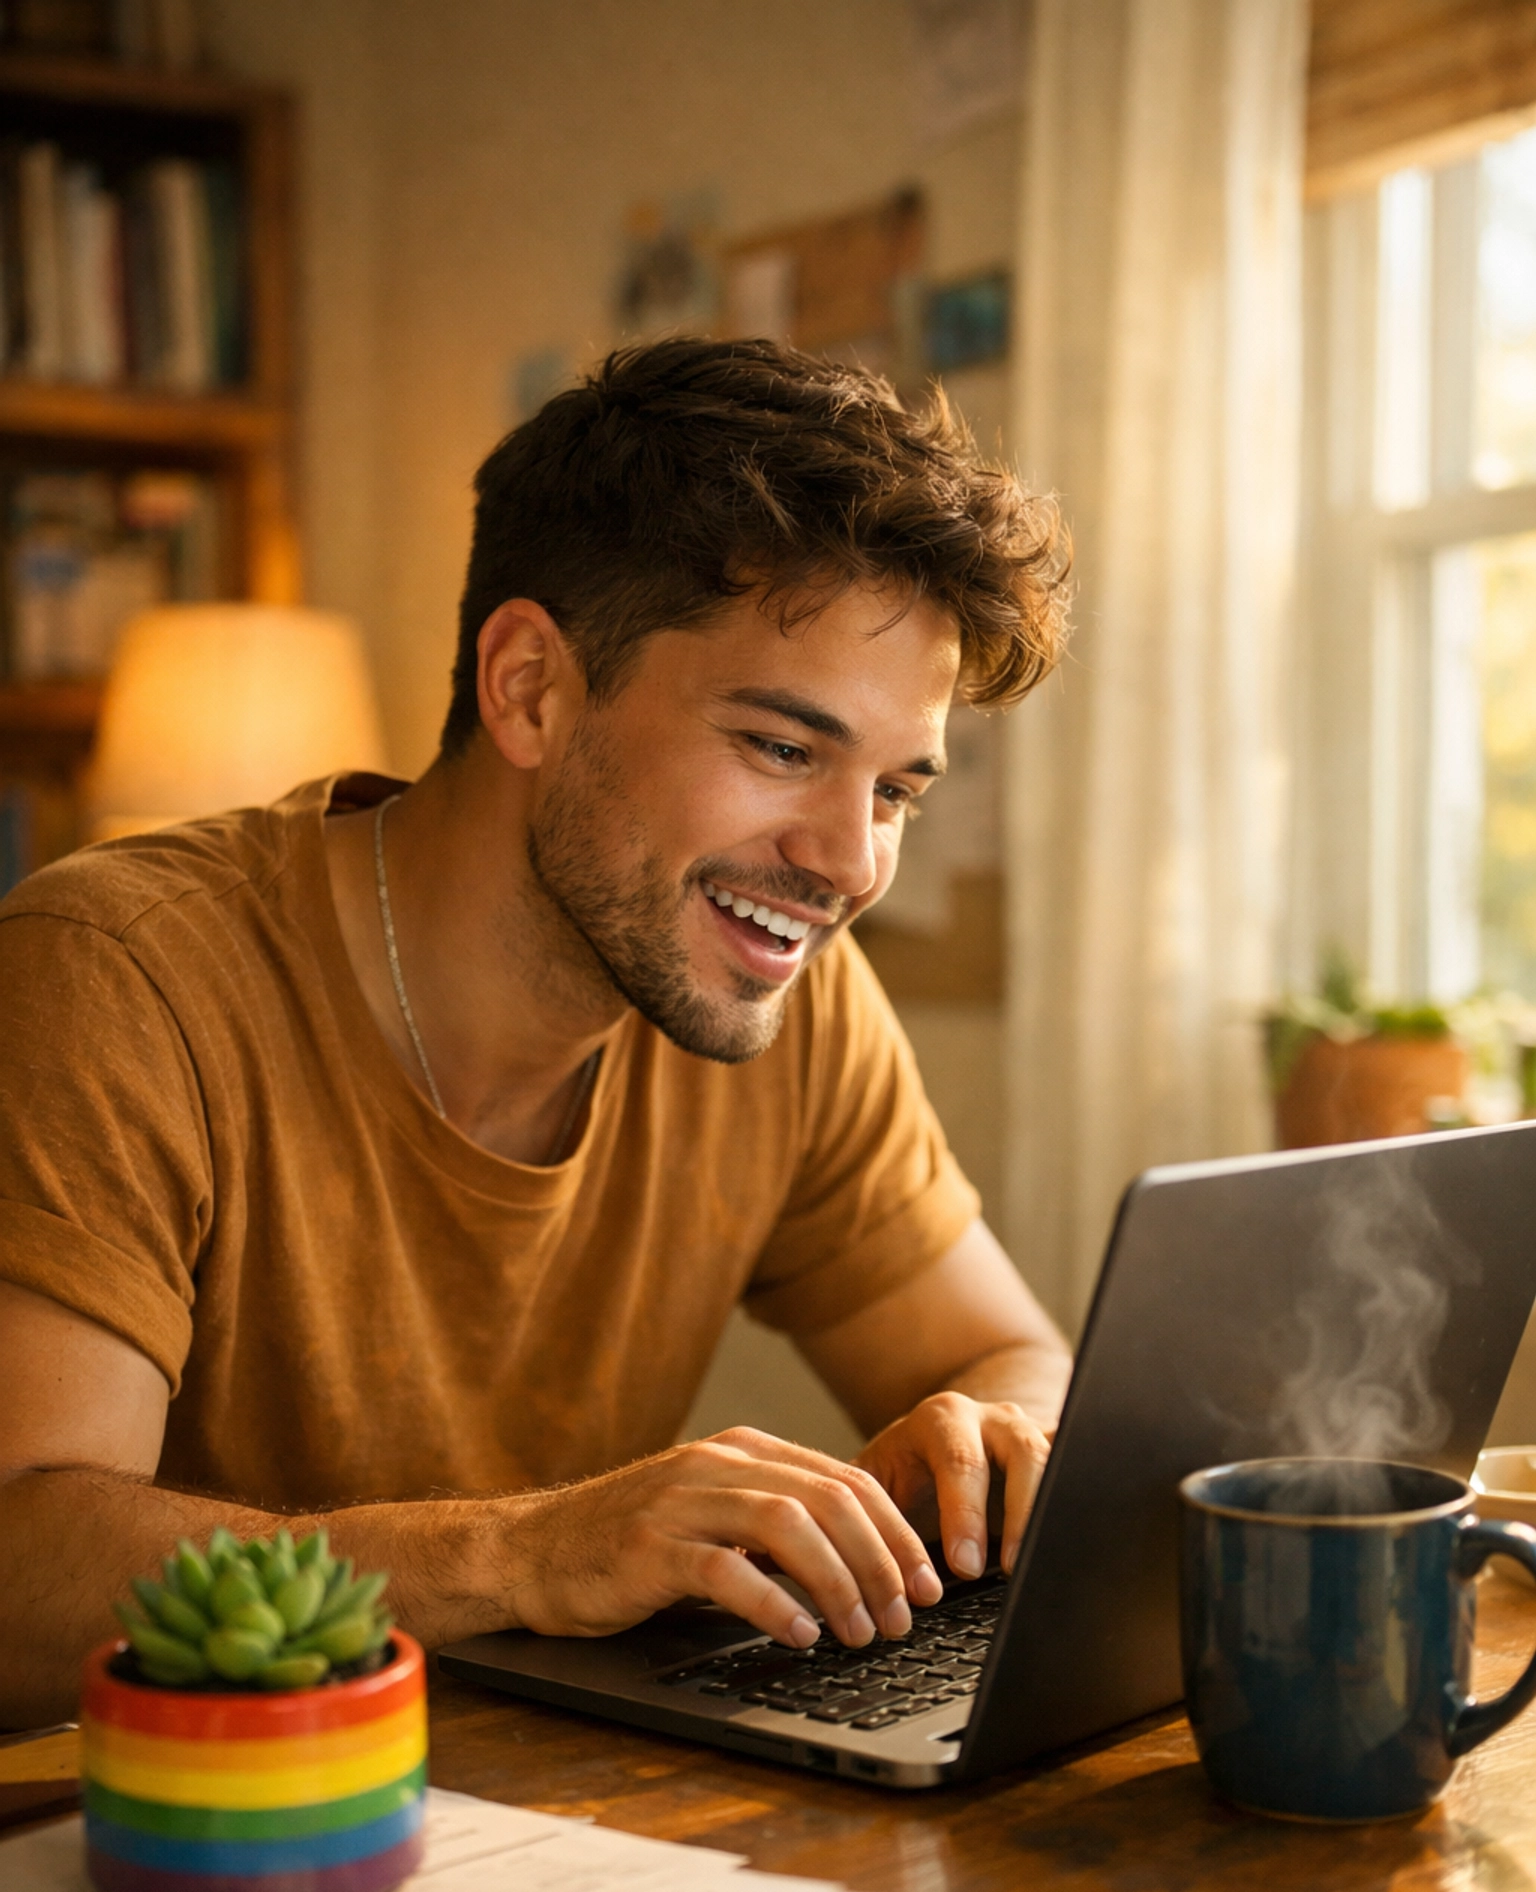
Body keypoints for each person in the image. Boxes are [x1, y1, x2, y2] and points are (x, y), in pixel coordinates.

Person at [0, 336, 1073, 1727]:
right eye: (785, 750)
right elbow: (19, 1562)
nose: (851, 863)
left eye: (896, 791)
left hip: (537, 1820)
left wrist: (989, 1441)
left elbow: (1012, 1360)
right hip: (140, 1845)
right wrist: (525, 1551)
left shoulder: (780, 996)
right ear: (529, 689)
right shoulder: (121, 974)